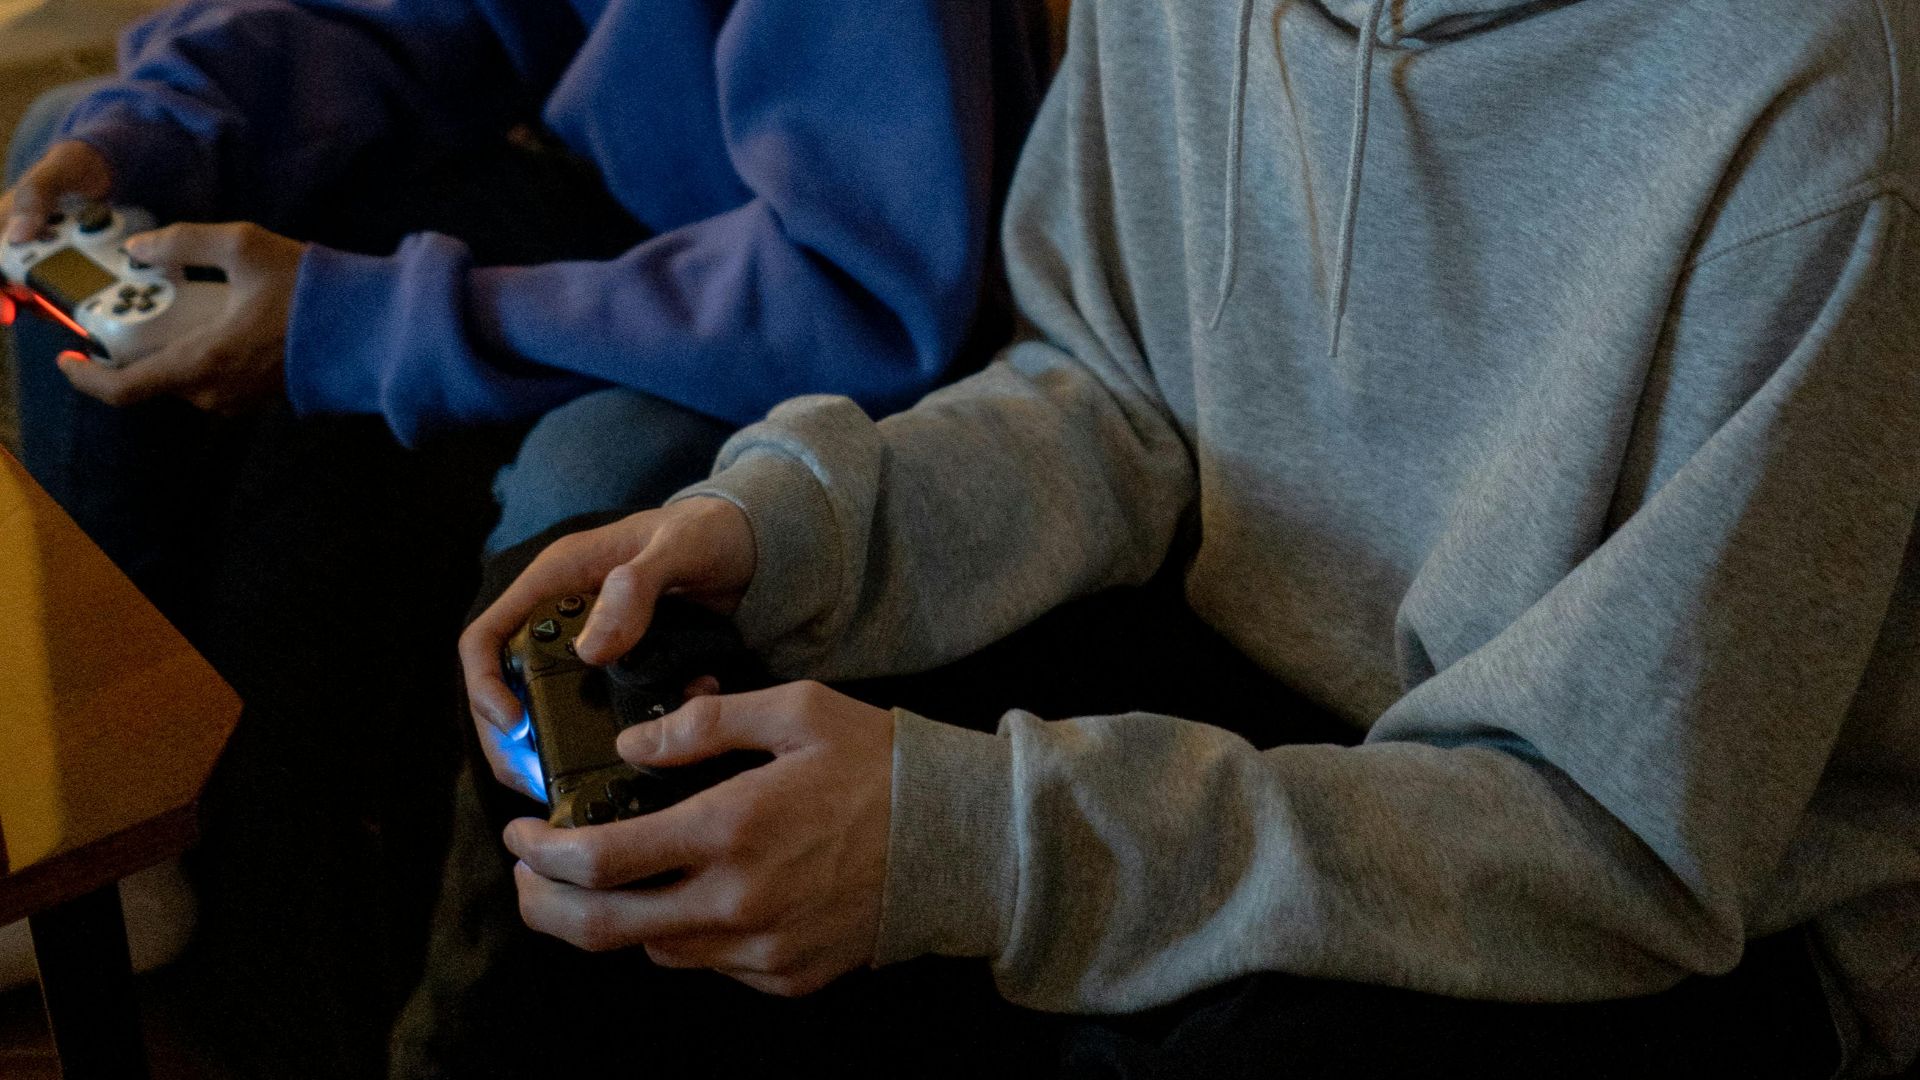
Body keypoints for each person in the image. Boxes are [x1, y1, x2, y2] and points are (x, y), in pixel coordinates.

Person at [459, 0, 1920, 1075]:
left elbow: (1624, 844)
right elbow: (1111, 387)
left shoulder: (1814, 97)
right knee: (675, 760)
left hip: (1675, 884)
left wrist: (982, 845)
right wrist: (779, 528)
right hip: (1274, 684)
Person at [0, 4, 1049, 1075]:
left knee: (582, 485)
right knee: (79, 146)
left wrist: (372, 325)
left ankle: (467, 1021)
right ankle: (124, 817)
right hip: (621, 204)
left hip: (837, 306)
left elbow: (863, 296)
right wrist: (161, 115)